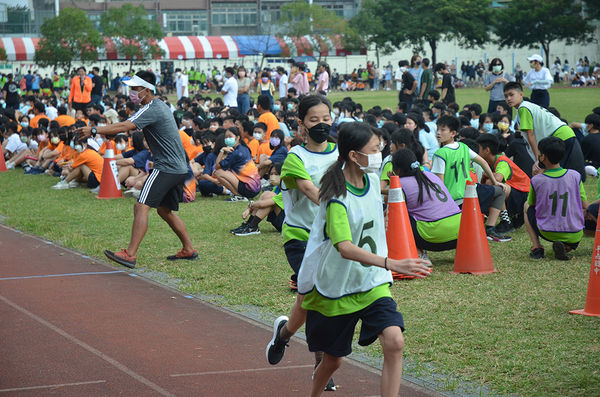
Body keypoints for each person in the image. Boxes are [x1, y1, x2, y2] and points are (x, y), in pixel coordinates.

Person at [296, 121, 431, 397]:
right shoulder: (336, 196)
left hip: (371, 283)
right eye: (374, 148)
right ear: (354, 156)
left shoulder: (371, 181)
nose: (381, 152)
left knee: (394, 341)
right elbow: (345, 247)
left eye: (381, 146)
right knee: (333, 360)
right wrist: (392, 263)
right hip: (337, 287)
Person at [76, 70, 198, 269]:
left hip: (166, 167)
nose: (131, 92)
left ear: (146, 90)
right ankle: (188, 249)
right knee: (165, 211)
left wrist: (95, 130)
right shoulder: (160, 105)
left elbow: (124, 126)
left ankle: (130, 255)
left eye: (134, 88)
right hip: (178, 168)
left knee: (140, 207)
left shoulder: (152, 108)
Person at [265, 95, 338, 390]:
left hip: (333, 238)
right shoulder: (295, 158)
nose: (321, 125)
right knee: (318, 294)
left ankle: (283, 334)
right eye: (314, 120)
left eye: (326, 119)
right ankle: (322, 362)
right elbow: (314, 193)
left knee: (307, 300)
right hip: (301, 238)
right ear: (301, 124)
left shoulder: (341, 154)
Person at [432, 115, 511, 241]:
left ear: (453, 133)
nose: (438, 133)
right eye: (437, 129)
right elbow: (484, 163)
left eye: (443, 129)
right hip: (471, 192)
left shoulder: (440, 154)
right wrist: (495, 182)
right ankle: (490, 228)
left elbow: (440, 184)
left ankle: (488, 229)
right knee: (500, 191)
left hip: (454, 199)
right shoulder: (463, 147)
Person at [504, 82, 586, 182]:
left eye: (511, 95)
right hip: (565, 134)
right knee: (557, 172)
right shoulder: (527, 106)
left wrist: (537, 160)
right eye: (506, 96)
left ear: (521, 94)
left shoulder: (523, 108)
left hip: (559, 136)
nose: (508, 98)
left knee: (553, 173)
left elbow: (531, 135)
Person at [524, 137, 588, 260]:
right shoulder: (575, 175)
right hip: (575, 232)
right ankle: (567, 246)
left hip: (547, 230)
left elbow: (532, 203)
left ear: (543, 157)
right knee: (581, 213)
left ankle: (537, 248)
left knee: (526, 206)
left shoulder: (537, 180)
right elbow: (585, 206)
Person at [391, 148, 461, 257]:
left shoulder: (400, 184)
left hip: (432, 239)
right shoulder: (431, 176)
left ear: (398, 170)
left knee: (396, 215)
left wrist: (393, 183)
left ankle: (419, 254)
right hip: (460, 235)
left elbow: (390, 209)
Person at [477, 133, 530, 233]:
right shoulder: (490, 163)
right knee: (488, 190)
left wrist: (485, 176)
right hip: (516, 194)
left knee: (492, 185)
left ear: (487, 150)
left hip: (525, 196)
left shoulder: (502, 161)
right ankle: (514, 217)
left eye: (478, 148)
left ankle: (506, 222)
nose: (476, 151)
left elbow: (497, 178)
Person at [214, 126, 261, 202]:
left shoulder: (234, 153)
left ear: (237, 137)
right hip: (256, 187)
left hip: (248, 188)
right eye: (226, 137)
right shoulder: (244, 148)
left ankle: (238, 196)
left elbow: (217, 166)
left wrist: (222, 151)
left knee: (218, 172)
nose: (227, 139)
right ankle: (239, 195)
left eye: (230, 136)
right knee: (221, 170)